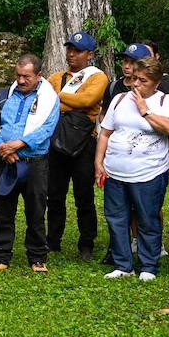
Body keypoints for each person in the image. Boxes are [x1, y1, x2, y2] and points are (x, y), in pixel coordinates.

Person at [96, 58, 169, 281]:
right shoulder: (119, 99)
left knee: (147, 219)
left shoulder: (166, 101)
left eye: (143, 80)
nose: (136, 84)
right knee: (116, 218)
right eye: (134, 79)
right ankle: (123, 264)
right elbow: (105, 132)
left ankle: (148, 266)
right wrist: (98, 162)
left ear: (156, 82)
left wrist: (145, 111)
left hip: (149, 172)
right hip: (115, 170)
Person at [0, 54, 60, 273]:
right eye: (18, 75)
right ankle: (1, 257)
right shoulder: (3, 95)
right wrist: (2, 148)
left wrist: (18, 144)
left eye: (27, 76)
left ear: (38, 75)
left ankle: (37, 257)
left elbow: (46, 129)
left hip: (34, 162)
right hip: (6, 161)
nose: (22, 80)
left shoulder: (49, 98)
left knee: (36, 211)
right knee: (3, 210)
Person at [45, 32, 110, 261]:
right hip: (57, 139)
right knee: (54, 194)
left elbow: (87, 101)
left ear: (89, 54)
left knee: (84, 195)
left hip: (84, 142)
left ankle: (86, 244)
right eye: (69, 49)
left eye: (78, 50)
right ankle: (52, 240)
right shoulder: (55, 77)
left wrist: (58, 99)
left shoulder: (97, 77)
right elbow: (45, 104)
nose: (71, 54)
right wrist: (67, 103)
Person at [103, 42, 169, 109]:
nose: (127, 66)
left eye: (132, 62)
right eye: (125, 61)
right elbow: (103, 114)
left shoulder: (160, 86)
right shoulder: (112, 87)